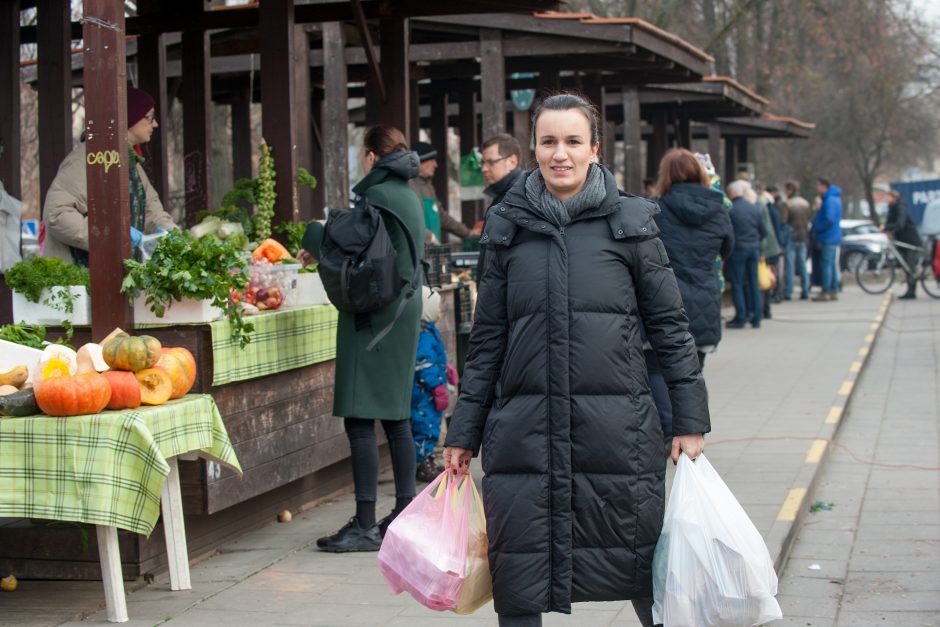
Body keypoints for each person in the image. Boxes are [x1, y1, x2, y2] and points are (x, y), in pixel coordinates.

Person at [443, 93, 710, 627]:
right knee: (518, 577)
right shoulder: (505, 227)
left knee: (644, 572)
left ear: (594, 148)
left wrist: (689, 420)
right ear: (533, 150)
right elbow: (488, 338)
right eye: (548, 141)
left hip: (617, 437)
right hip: (522, 437)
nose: (559, 153)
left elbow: (670, 329)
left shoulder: (632, 223)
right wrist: (463, 431)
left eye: (572, 141)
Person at [313, 125, 425, 552]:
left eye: (362, 153)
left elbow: (350, 250)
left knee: (361, 420)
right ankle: (402, 513)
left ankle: (363, 523)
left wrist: (313, 233)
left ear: (372, 156)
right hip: (403, 307)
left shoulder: (378, 195)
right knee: (397, 419)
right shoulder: (407, 193)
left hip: (376, 316)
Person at [42, 86, 177, 265]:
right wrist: (111, 236)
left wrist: (172, 233)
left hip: (119, 277)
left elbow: (152, 211)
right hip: (81, 280)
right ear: (130, 117)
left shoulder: (132, 165)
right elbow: (56, 214)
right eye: (149, 117)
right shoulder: (85, 160)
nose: (155, 124)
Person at [652, 147, 734, 367]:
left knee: (661, 377)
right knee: (694, 377)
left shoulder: (655, 211)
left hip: (666, 301)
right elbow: (726, 249)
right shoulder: (718, 210)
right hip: (705, 295)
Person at [410, 285, 451, 483]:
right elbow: (424, 363)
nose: (440, 312)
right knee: (424, 426)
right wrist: (436, 385)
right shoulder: (422, 335)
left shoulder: (430, 330)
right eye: (437, 308)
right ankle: (422, 463)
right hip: (423, 392)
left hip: (429, 390)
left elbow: (435, 357)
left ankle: (428, 460)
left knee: (432, 425)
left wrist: (446, 370)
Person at [477, 133, 525, 274]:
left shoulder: (519, 197)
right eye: (483, 163)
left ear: (512, 162)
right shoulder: (503, 194)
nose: (484, 169)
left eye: (491, 162)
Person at [409, 141, 471, 244]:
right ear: (420, 162)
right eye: (432, 160)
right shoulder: (410, 186)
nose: (436, 165)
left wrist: (467, 232)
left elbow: (442, 217)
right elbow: (410, 222)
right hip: (420, 249)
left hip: (433, 249)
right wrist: (429, 237)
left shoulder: (429, 186)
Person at [726, 179, 766, 328]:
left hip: (738, 250)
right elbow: (764, 231)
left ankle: (741, 317)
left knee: (737, 283)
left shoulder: (731, 209)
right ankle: (756, 317)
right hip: (753, 249)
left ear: (731, 193)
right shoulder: (754, 208)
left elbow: (727, 232)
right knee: (753, 283)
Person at [876, 184, 922, 299]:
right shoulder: (893, 208)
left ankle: (912, 292)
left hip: (910, 241)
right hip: (902, 241)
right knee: (906, 266)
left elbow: (900, 223)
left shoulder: (900, 208)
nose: (886, 200)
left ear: (894, 198)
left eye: (888, 198)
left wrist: (887, 228)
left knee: (910, 266)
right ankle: (909, 290)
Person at [812, 177, 843, 301]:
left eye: (818, 186)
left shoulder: (829, 200)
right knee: (831, 265)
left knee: (826, 265)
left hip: (827, 236)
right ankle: (833, 289)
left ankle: (825, 291)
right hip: (833, 236)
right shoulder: (835, 199)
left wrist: (818, 227)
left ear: (824, 186)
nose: (817, 188)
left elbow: (828, 219)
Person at [780, 180, 812, 300]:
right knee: (803, 265)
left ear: (789, 190)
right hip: (803, 236)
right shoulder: (805, 203)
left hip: (791, 237)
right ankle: (805, 290)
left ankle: (789, 291)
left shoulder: (787, 204)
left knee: (790, 266)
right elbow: (809, 218)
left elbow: (783, 221)